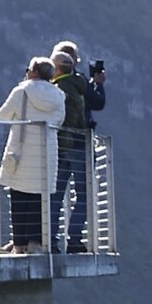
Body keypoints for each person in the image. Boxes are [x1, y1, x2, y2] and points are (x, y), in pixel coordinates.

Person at [0, 56, 67, 251]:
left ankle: (19, 245)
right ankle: (36, 242)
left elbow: (3, 114)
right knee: (38, 199)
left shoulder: (21, 91)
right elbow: (59, 121)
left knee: (18, 198)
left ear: (34, 72)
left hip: (22, 151)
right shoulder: (59, 96)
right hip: (46, 152)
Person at [49, 38, 111, 252]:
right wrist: (99, 84)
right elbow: (97, 103)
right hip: (79, 144)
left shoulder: (50, 84)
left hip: (58, 144)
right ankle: (74, 239)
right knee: (84, 193)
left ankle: (51, 239)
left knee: (56, 194)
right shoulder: (78, 83)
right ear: (72, 60)